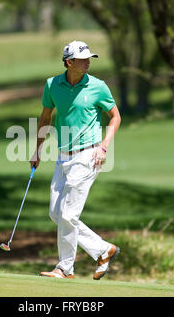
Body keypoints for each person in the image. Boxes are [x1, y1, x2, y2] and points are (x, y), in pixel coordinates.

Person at [30, 40, 121, 280]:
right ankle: (103, 250)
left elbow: (115, 117)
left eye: (90, 58)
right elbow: (45, 117)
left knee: (68, 216)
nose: (88, 62)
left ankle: (65, 268)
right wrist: (37, 149)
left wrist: (104, 147)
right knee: (56, 214)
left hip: (89, 154)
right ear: (69, 62)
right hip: (63, 156)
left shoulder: (98, 86)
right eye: (83, 59)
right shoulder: (52, 85)